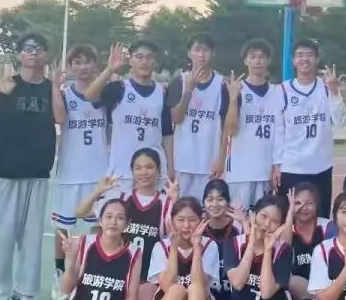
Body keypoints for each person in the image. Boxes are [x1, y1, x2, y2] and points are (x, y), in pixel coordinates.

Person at [31, 198, 154, 300]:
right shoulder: (85, 243)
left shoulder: (133, 253)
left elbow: (131, 298)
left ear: (127, 224)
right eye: (108, 216)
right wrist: (71, 260)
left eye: (119, 218)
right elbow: (66, 288)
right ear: (100, 221)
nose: (113, 222)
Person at [0, 33, 58, 300]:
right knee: (2, 237)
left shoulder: (51, 88)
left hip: (38, 171)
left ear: (46, 55)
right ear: (20, 55)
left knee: (32, 238)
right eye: (28, 48)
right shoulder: (8, 85)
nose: (34, 53)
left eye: (39, 48)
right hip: (6, 170)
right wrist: (1, 95)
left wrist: (58, 88)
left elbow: (59, 118)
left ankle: (26, 291)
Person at [76, 148, 173, 300]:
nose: (144, 172)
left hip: (147, 276)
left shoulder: (167, 203)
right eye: (138, 168)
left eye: (149, 167)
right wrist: (97, 191)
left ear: (158, 170)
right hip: (117, 271)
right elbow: (80, 212)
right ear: (132, 171)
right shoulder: (122, 197)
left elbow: (174, 241)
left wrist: (175, 201)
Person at [50, 45, 111, 300]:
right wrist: (55, 86)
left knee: (98, 226)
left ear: (96, 65)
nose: (83, 67)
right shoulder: (65, 94)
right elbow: (60, 119)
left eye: (87, 62)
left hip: (98, 171)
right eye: (77, 62)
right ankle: (60, 273)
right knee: (63, 226)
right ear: (70, 67)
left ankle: (91, 273)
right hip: (70, 170)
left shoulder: (104, 94)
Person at [87, 41, 174, 194]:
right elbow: (90, 95)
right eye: (139, 57)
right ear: (130, 61)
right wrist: (109, 69)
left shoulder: (162, 93)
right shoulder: (119, 88)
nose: (144, 61)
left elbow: (166, 133)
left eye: (149, 57)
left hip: (153, 171)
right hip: (122, 171)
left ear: (154, 61)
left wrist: (171, 167)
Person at [275, 39, 346, 218]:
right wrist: (276, 164)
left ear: (316, 59)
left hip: (320, 166)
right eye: (300, 55)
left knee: (320, 219)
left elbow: (341, 122)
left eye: (309, 55)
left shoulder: (326, 87)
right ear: (293, 60)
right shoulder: (283, 90)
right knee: (290, 217)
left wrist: (334, 92)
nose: (304, 59)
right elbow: (278, 131)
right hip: (292, 166)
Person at [168, 34, 229, 204]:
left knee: (207, 209)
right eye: (197, 50)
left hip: (209, 162)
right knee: (181, 210)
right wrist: (188, 90)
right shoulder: (179, 81)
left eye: (206, 50)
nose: (201, 55)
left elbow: (226, 128)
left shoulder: (222, 84)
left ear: (213, 53)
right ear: (189, 53)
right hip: (183, 162)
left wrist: (221, 159)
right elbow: (176, 118)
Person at [224, 39, 285, 208]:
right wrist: (233, 99)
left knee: (264, 219)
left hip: (265, 172)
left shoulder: (277, 92)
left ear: (268, 60)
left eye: (261, 57)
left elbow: (279, 133)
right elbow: (230, 130)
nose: (257, 61)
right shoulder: (237, 89)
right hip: (240, 172)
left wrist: (276, 165)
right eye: (253, 57)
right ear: (246, 60)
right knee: (239, 219)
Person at [285, 182, 332, 300]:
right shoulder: (287, 231)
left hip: (329, 288)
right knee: (291, 280)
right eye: (298, 203)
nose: (303, 208)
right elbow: (283, 251)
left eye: (309, 203)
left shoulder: (328, 227)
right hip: (301, 292)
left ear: (317, 205)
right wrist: (290, 213)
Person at [202, 178, 243, 300]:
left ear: (228, 202)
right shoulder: (199, 229)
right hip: (207, 299)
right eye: (210, 199)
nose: (214, 204)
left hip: (236, 297)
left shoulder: (238, 227)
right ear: (203, 202)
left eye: (220, 199)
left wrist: (246, 223)